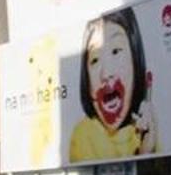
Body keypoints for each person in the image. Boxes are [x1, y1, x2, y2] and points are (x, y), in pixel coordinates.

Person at [68, 9, 159, 163]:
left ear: (135, 60)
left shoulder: (148, 129)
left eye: (116, 51)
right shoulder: (83, 137)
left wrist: (147, 149)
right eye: (95, 60)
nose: (106, 73)